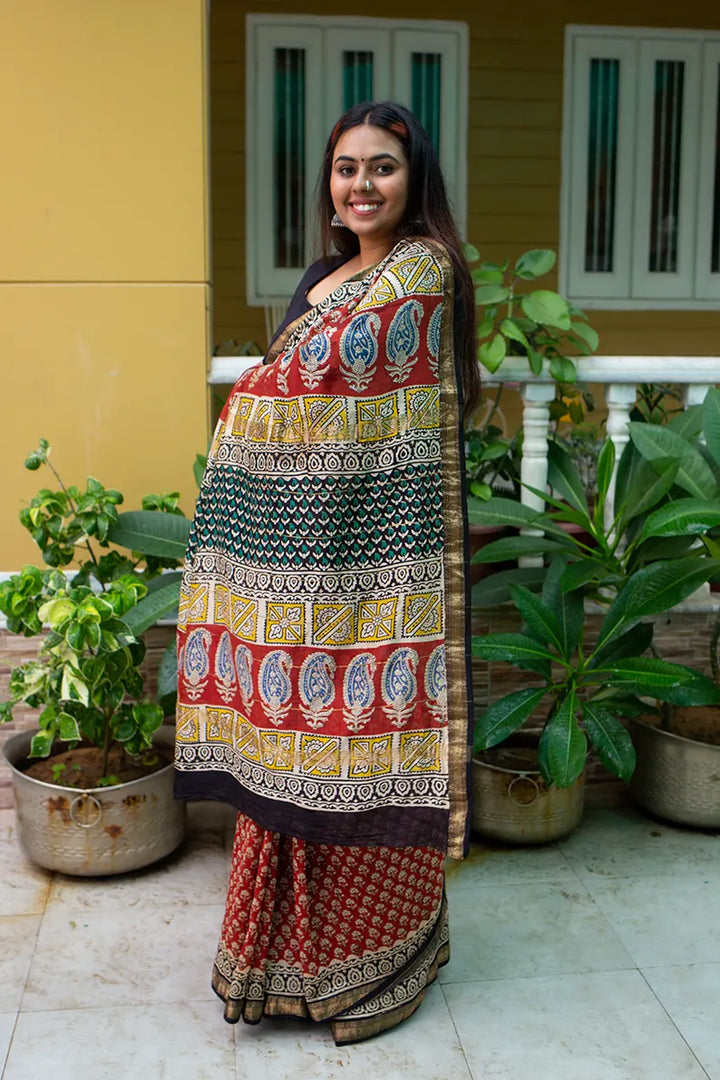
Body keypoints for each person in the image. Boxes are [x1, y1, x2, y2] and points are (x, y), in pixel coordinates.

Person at [174, 100, 478, 1045]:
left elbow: (309, 390)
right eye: (346, 169)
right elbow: (294, 391)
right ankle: (278, 967)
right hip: (289, 559)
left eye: (381, 168)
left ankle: (377, 964)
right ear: (329, 184)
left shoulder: (419, 270)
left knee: (360, 735)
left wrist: (250, 412)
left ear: (413, 178)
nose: (361, 186)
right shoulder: (325, 274)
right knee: (286, 744)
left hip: (375, 562)